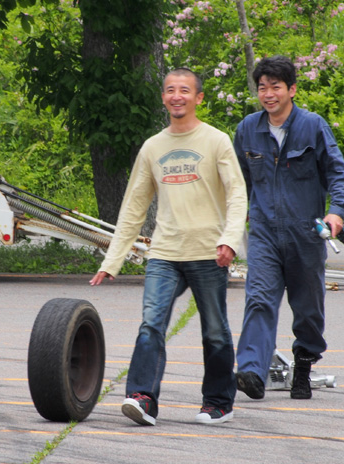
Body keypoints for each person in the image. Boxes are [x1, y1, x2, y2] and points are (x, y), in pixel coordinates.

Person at [89, 68, 248, 425]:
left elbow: (237, 194)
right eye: (170, 90)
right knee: (151, 324)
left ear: (198, 98)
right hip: (164, 253)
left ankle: (218, 402)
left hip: (208, 252)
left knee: (215, 331)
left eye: (185, 90)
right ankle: (143, 398)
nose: (177, 96)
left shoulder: (216, 140)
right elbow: (133, 207)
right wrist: (112, 260)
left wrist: (230, 240)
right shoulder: (153, 147)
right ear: (163, 98)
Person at [233, 55, 344, 400]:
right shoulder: (247, 129)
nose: (268, 94)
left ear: (292, 90)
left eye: (275, 87)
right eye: (262, 87)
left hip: (305, 232)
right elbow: (236, 179)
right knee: (259, 299)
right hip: (264, 233)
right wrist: (238, 211)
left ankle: (303, 364)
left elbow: (338, 173)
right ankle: (252, 371)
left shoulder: (313, 126)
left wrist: (337, 213)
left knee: (308, 308)